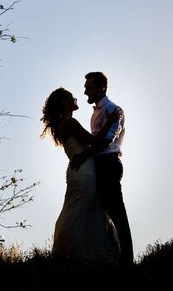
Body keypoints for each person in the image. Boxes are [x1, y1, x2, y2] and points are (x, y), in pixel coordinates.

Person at [41, 87, 120, 263]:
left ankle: (80, 255)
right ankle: (81, 255)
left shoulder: (65, 123)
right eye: (71, 97)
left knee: (81, 209)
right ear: (64, 102)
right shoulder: (69, 122)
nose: (75, 99)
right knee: (84, 209)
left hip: (78, 171)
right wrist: (109, 122)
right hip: (84, 172)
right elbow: (94, 142)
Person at [70, 71, 134, 267]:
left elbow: (107, 141)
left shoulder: (115, 110)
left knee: (117, 212)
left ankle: (127, 261)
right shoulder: (96, 112)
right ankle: (106, 256)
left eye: (89, 87)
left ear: (101, 88)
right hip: (97, 166)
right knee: (101, 213)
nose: (85, 91)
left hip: (109, 165)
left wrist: (84, 155)